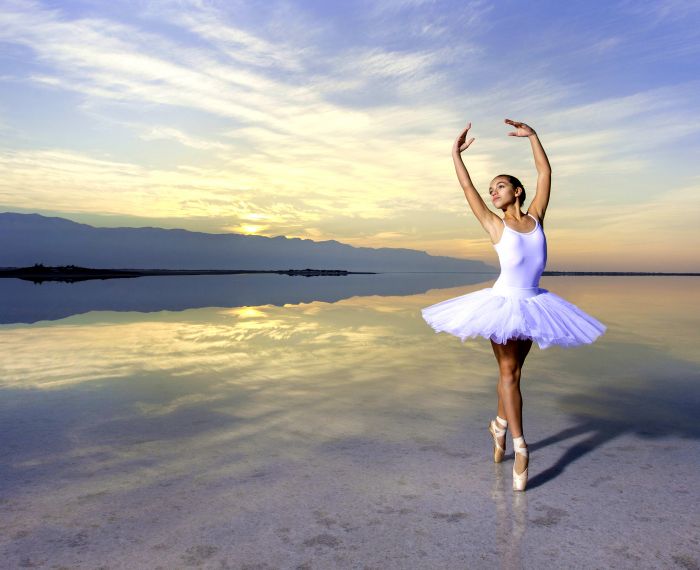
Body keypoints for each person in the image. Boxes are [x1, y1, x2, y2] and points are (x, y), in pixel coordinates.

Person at [421, 119, 607, 491]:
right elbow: (466, 188)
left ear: (517, 191)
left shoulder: (537, 218)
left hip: (535, 305)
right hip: (503, 305)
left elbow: (545, 171)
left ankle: (499, 426)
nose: (493, 193)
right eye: (492, 190)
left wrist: (533, 137)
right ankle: (521, 448)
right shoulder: (494, 225)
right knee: (509, 374)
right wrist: (455, 155)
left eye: (500, 186)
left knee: (514, 375)